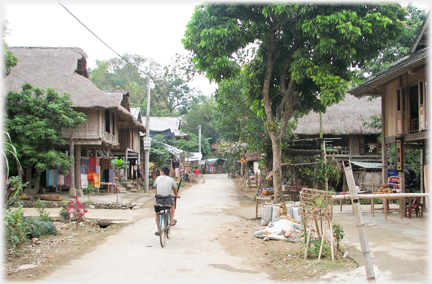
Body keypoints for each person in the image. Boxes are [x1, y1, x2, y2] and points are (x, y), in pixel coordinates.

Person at [153, 167, 179, 236]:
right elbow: (175, 191)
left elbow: (156, 189)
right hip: (167, 200)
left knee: (157, 213)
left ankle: (158, 229)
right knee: (172, 205)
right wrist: (176, 195)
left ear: (162, 172)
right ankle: (171, 221)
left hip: (158, 200)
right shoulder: (171, 180)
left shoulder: (157, 178)